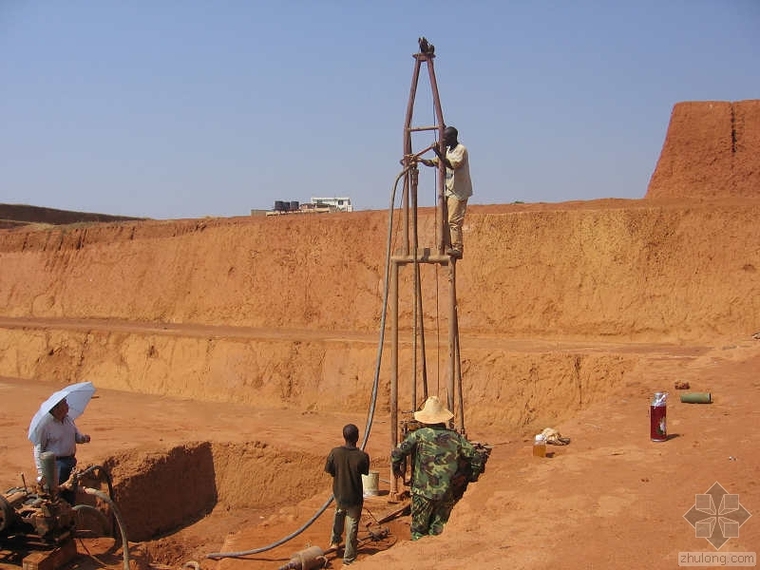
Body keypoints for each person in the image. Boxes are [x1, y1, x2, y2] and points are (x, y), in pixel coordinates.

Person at [391, 396, 484, 540]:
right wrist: (471, 476)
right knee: (438, 532)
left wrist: (396, 468)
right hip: (445, 493)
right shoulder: (456, 437)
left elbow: (397, 453)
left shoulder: (419, 435)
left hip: (422, 493)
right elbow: (476, 457)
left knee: (418, 532)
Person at [421, 126, 473, 259]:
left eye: (445, 138)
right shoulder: (448, 151)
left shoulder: (461, 150)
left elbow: (450, 164)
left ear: (453, 137)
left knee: (453, 221)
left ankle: (457, 248)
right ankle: (448, 245)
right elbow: (434, 162)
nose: (443, 140)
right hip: (449, 191)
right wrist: (419, 160)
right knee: (445, 219)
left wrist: (438, 152)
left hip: (458, 192)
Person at [325, 423, 370, 566]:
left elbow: (330, 471)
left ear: (344, 436)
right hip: (355, 497)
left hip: (339, 494)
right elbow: (364, 472)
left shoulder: (334, 452)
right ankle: (348, 559)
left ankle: (334, 541)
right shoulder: (362, 456)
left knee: (338, 515)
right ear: (357, 437)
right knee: (352, 527)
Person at [32, 396, 91, 503]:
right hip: (56, 465)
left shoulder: (68, 419)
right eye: (64, 403)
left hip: (71, 461)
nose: (68, 406)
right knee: (58, 494)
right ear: (56, 408)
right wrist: (41, 472)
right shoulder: (45, 425)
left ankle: (71, 515)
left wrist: (84, 438)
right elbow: (38, 449)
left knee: (71, 491)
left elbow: (76, 437)